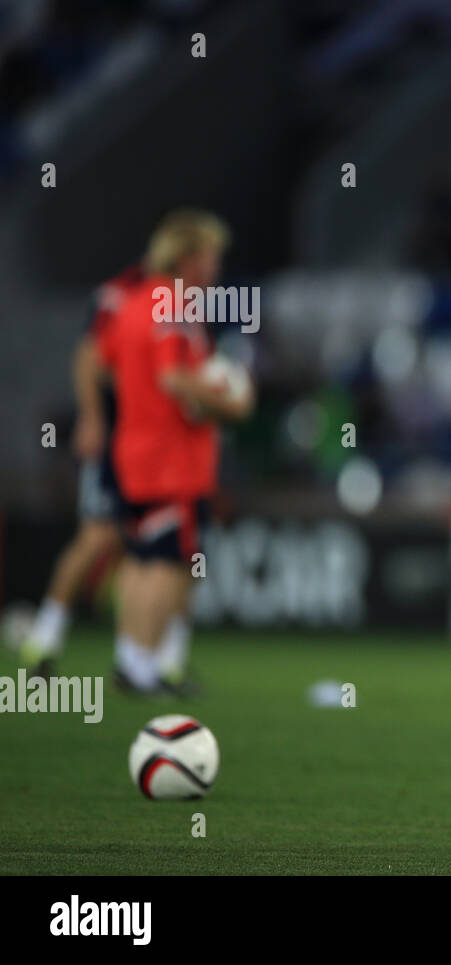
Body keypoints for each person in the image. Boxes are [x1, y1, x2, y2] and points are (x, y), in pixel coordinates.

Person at [98, 209, 253, 695]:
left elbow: (107, 366)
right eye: (211, 257)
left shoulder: (132, 303)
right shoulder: (175, 306)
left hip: (131, 453)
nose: (216, 269)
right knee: (172, 562)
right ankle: (144, 665)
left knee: (144, 559)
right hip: (172, 463)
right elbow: (172, 379)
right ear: (187, 258)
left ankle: (131, 659)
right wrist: (228, 402)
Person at [17, 263, 146, 676]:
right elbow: (90, 356)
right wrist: (92, 418)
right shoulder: (121, 294)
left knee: (140, 546)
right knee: (97, 536)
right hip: (115, 441)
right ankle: (44, 638)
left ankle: (134, 658)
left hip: (152, 445)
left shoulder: (182, 302)